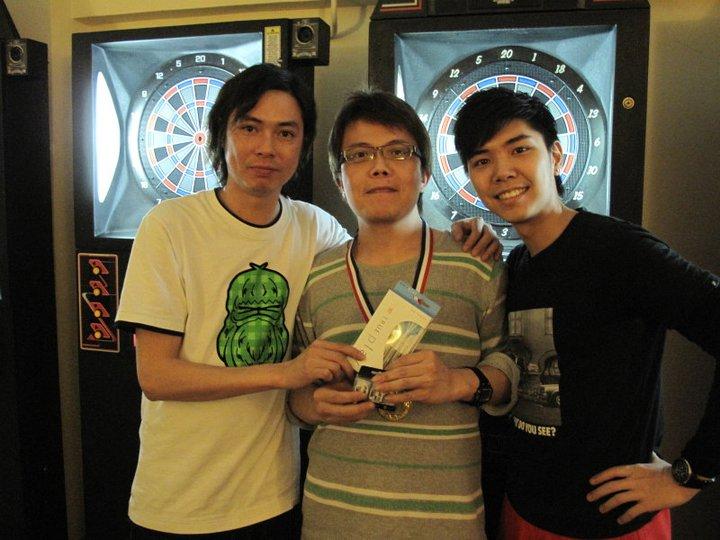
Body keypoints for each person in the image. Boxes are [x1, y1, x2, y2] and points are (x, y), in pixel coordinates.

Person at [115, 64, 501, 537]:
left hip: (276, 496)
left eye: (286, 133)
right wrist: (289, 374)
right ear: (220, 135)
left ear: (302, 147)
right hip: (181, 499)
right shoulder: (170, 225)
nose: (267, 147)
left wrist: (469, 229)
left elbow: (386, 243)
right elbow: (156, 376)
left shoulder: (316, 231)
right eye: (249, 128)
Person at [453, 86, 720, 539]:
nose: (502, 171)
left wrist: (691, 473)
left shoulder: (620, 251)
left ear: (555, 155)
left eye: (519, 149)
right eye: (482, 161)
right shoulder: (516, 267)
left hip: (613, 525)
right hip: (523, 513)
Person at [288, 90, 520, 539]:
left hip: (446, 523)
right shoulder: (315, 276)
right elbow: (295, 396)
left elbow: (511, 368)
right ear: (339, 179)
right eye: (359, 155)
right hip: (334, 519)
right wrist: (313, 404)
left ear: (425, 172)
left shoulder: (476, 262)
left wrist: (456, 382)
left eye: (398, 151)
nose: (379, 166)